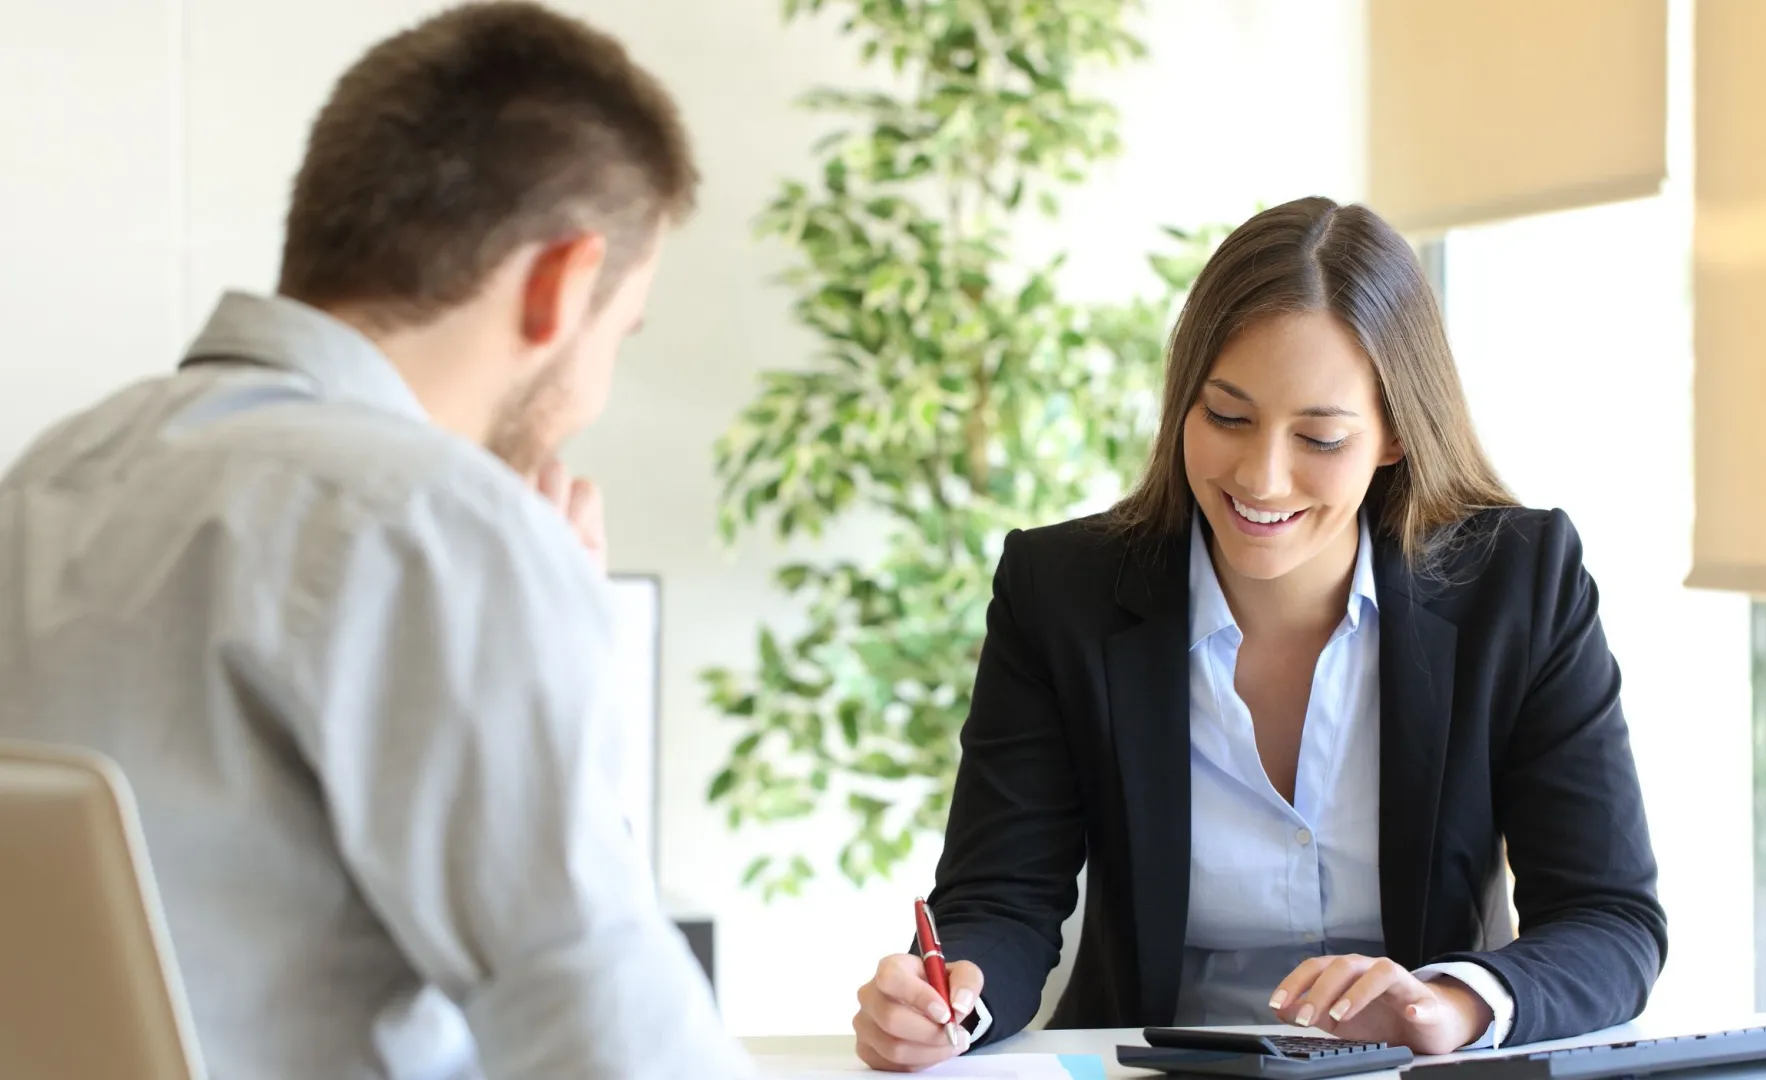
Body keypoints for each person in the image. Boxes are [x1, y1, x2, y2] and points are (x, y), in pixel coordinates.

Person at [0, 3, 752, 1078]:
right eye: (619, 332)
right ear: (561, 285)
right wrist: (537, 621)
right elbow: (608, 1036)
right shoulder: (428, 524)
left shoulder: (49, 475)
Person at [851, 197, 1667, 1071]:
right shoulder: (1063, 594)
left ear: (1394, 434)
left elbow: (1609, 919)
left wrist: (1451, 1002)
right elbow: (1001, 900)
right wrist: (951, 1004)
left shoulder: (1521, 583)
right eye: (1228, 418)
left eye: (1319, 435)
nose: (1261, 477)